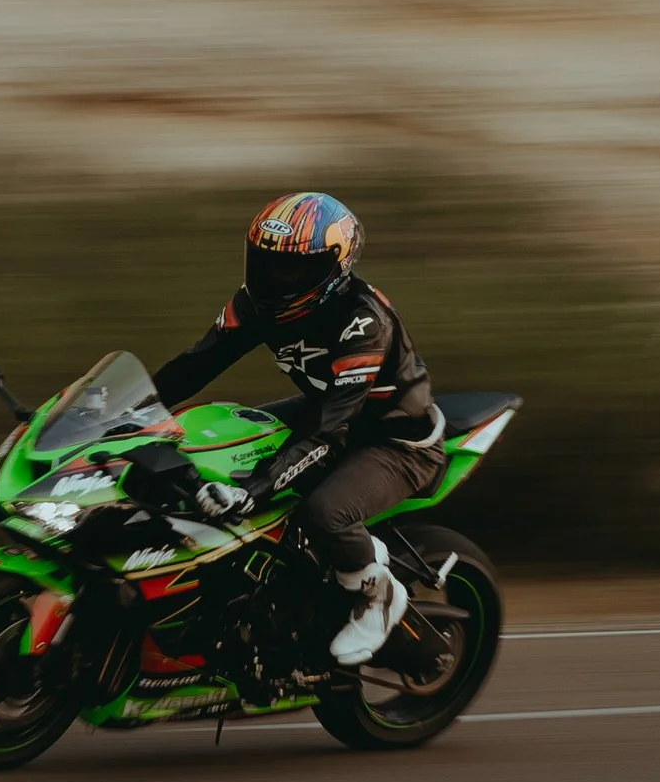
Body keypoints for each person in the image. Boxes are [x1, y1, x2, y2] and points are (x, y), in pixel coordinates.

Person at [151, 192, 446, 666]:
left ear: (335, 267)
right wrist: (129, 411)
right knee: (210, 437)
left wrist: (255, 489)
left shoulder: (363, 323)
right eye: (266, 264)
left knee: (323, 512)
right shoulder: (254, 303)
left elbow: (332, 431)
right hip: (329, 411)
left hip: (395, 440)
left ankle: (378, 594)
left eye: (294, 269)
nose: (276, 279)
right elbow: (194, 366)